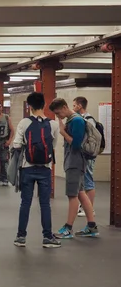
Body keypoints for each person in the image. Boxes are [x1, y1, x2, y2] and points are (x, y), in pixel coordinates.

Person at [11, 92, 61, 248]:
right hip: (45, 169)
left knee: (25, 203)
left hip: (28, 168)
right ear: (44, 105)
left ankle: (21, 237)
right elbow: (53, 146)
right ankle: (47, 237)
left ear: (29, 106)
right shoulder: (53, 124)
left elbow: (16, 145)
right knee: (45, 204)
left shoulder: (24, 123)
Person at [48, 98, 99, 238]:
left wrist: (63, 132)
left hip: (75, 162)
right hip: (75, 161)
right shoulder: (72, 120)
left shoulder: (76, 121)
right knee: (81, 193)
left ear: (65, 107)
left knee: (72, 195)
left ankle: (68, 228)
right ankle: (91, 226)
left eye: (58, 113)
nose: (58, 116)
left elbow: (76, 143)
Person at [73, 97, 97, 217]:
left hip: (88, 155)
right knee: (83, 181)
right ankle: (84, 206)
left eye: (74, 105)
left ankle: (90, 208)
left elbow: (89, 138)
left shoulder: (89, 120)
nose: (73, 108)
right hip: (83, 155)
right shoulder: (81, 119)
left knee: (88, 181)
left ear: (80, 106)